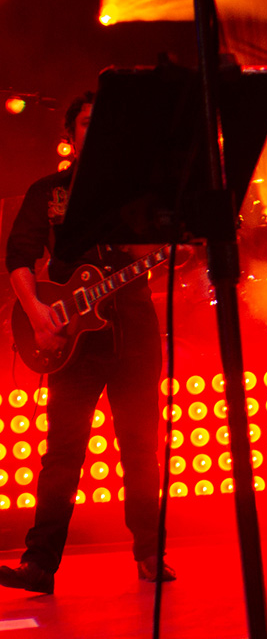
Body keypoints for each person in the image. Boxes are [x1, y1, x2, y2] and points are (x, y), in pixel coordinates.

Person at [0, 93, 175, 595]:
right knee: (63, 453)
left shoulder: (137, 193)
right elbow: (19, 257)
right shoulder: (48, 192)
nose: (92, 131)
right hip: (70, 340)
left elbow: (158, 251)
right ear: (70, 135)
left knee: (141, 448)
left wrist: (174, 248)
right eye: (84, 123)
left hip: (134, 330)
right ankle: (39, 564)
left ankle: (150, 552)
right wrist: (38, 314)